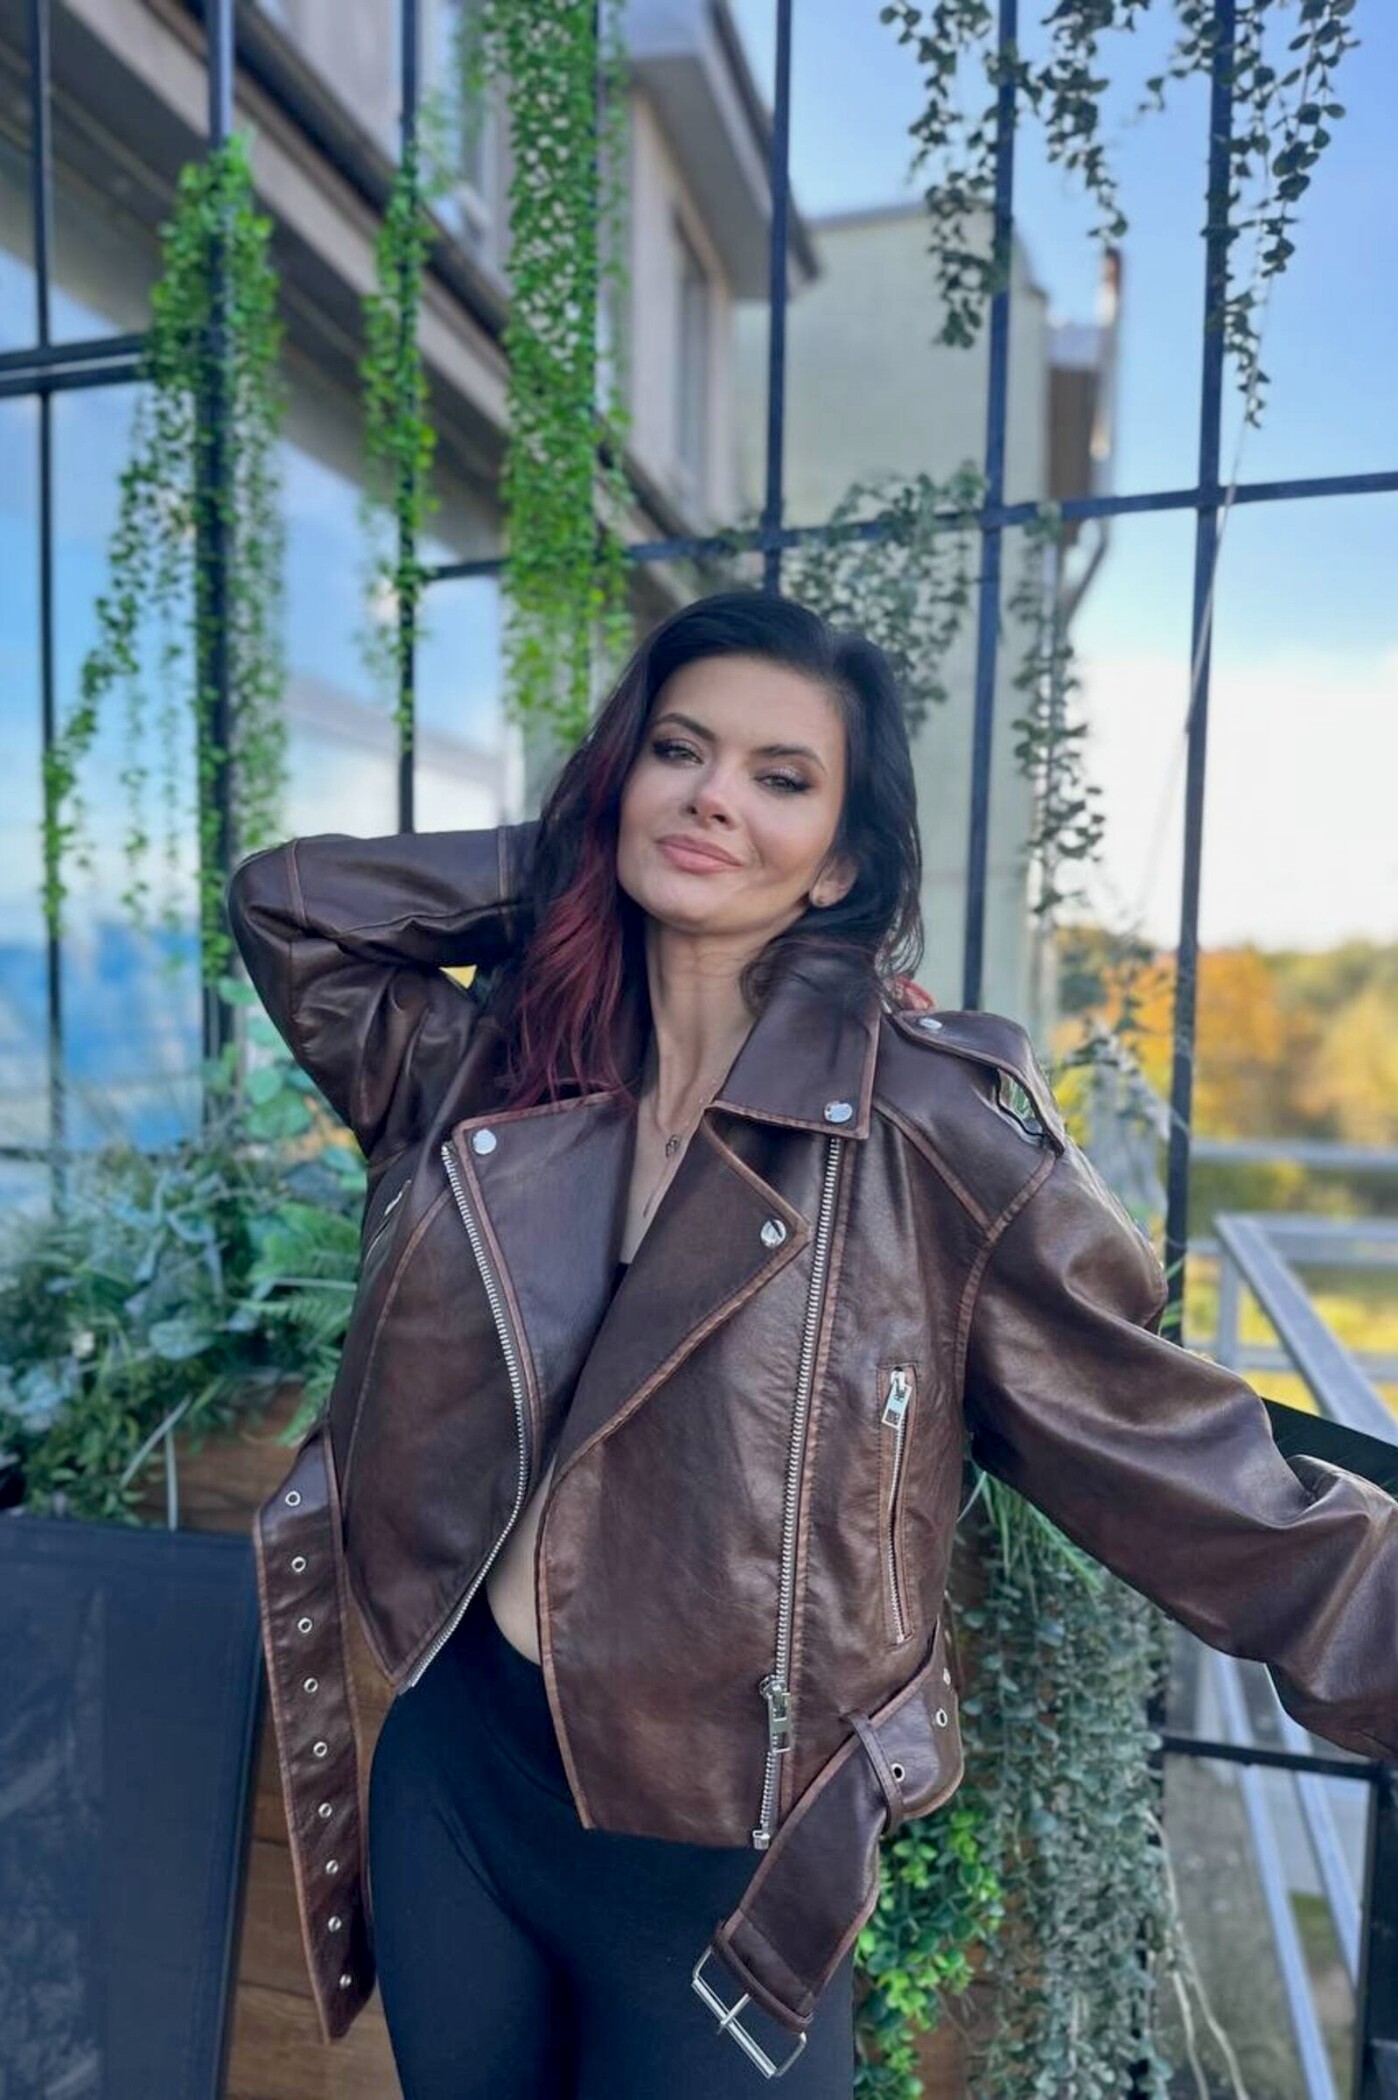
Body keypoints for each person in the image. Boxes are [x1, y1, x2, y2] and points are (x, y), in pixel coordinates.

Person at [227, 589, 1398, 2097]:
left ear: (841, 860)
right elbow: (295, 911)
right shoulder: (494, 1070)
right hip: (461, 1787)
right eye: (677, 752)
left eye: (780, 779)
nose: (714, 795)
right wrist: (588, 858)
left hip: (721, 1872)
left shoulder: (930, 1133)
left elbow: (1180, 1460)